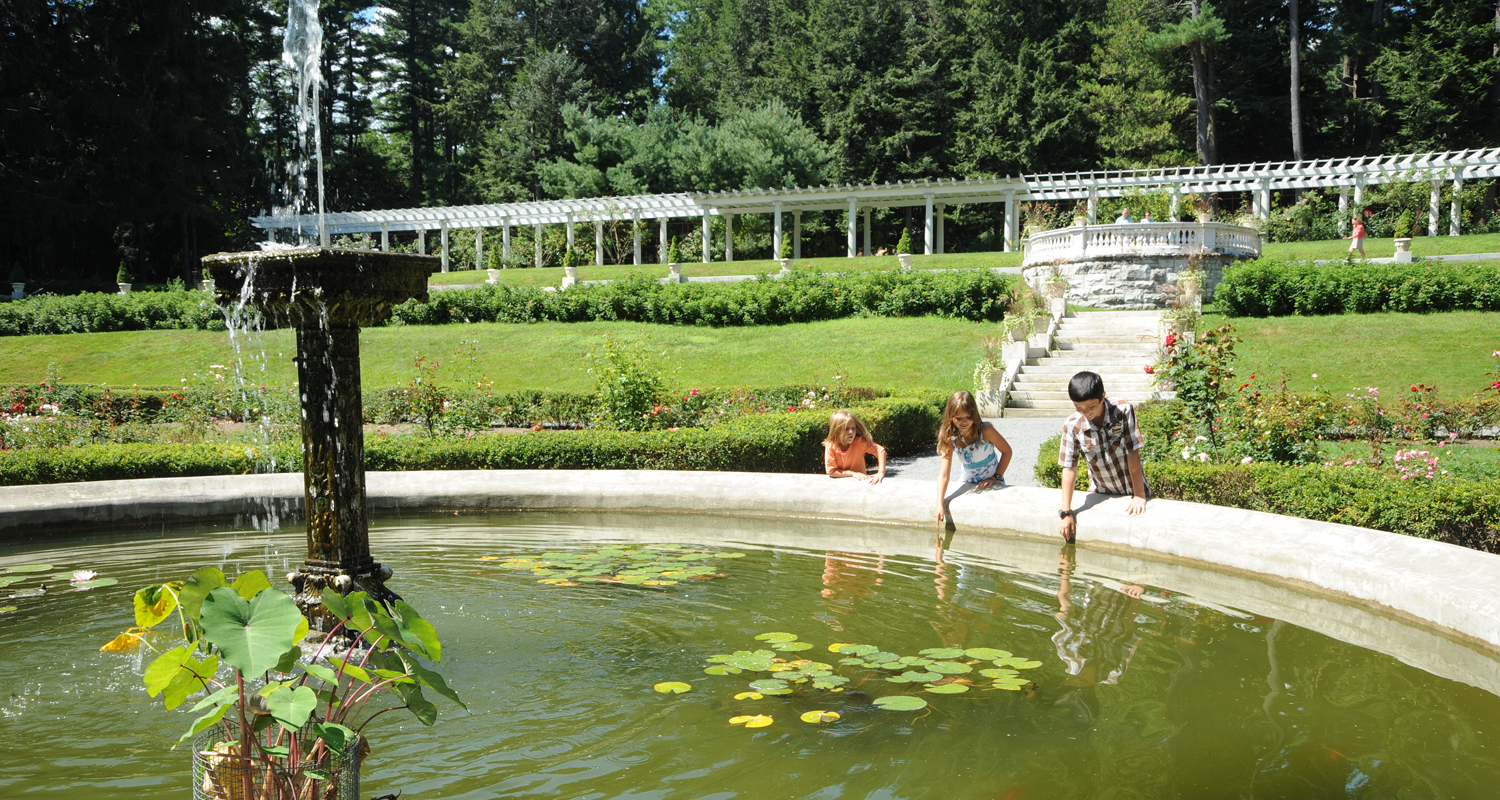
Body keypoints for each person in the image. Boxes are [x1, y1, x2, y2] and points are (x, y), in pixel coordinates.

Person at [1057, 371, 1148, 542]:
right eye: (1079, 408)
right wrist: (1066, 512)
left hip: (1131, 490)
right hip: (1100, 491)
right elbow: (1069, 468)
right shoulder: (1072, 425)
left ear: (1103, 397)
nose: (1086, 412)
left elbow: (1132, 454)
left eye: (1091, 406)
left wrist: (1139, 496)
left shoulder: (1123, 410)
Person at [933, 390, 1013, 522]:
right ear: (951, 416)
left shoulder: (985, 431)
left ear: (974, 414)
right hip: (967, 481)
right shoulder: (949, 436)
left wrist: (996, 477)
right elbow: (944, 474)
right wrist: (939, 504)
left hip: (991, 480)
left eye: (968, 416)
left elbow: (1007, 451)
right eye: (958, 418)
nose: (964, 422)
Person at [824, 410, 886, 484]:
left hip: (861, 483)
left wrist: (880, 472)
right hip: (840, 485)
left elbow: (881, 451)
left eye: (853, 428)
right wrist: (852, 474)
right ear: (836, 430)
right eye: (846, 429)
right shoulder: (831, 446)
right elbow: (831, 471)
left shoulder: (859, 442)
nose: (851, 432)